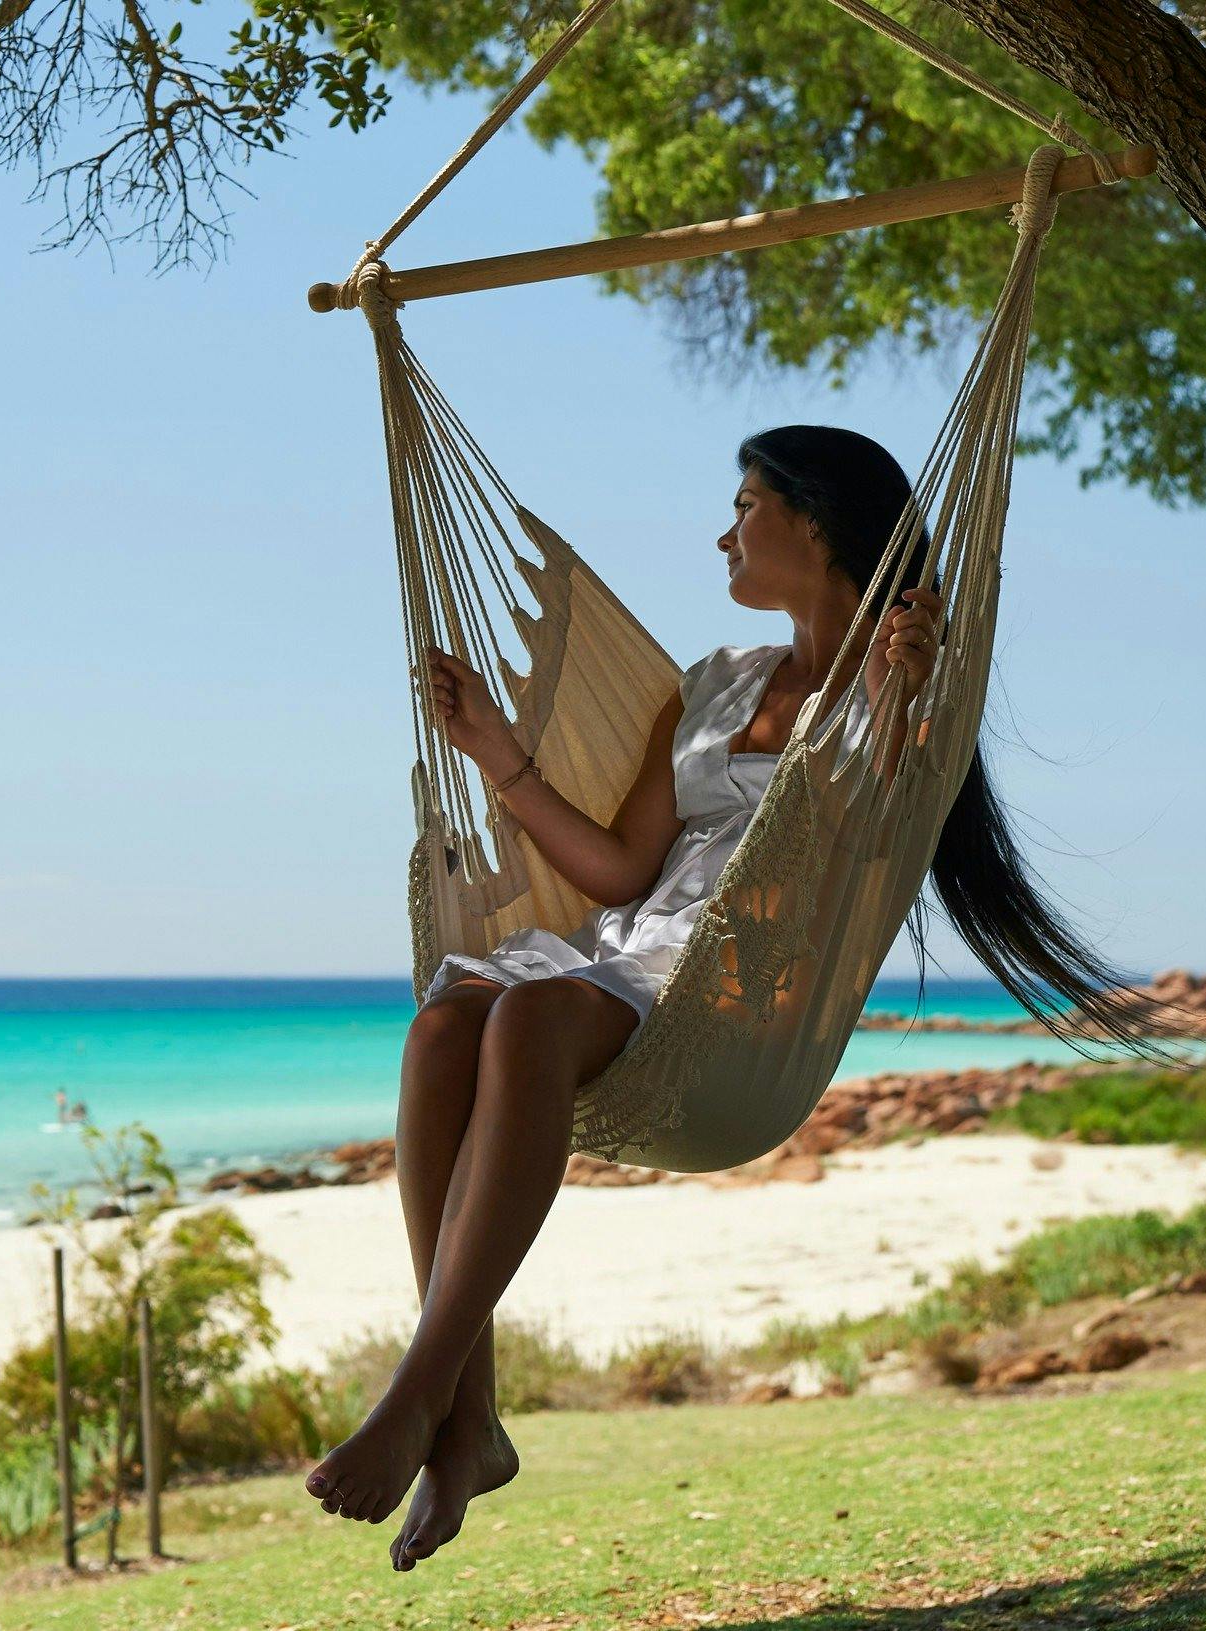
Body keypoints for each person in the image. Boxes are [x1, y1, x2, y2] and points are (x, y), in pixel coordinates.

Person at [306, 426, 1160, 1570]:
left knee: (528, 1017)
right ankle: (468, 1419)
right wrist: (496, 752)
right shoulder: (712, 683)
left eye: (746, 503)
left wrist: (906, 691)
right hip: (639, 943)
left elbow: (872, 831)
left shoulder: (905, 676)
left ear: (812, 522)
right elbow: (620, 869)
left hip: (743, 983)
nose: (724, 529)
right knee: (445, 1019)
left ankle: (424, 1389)